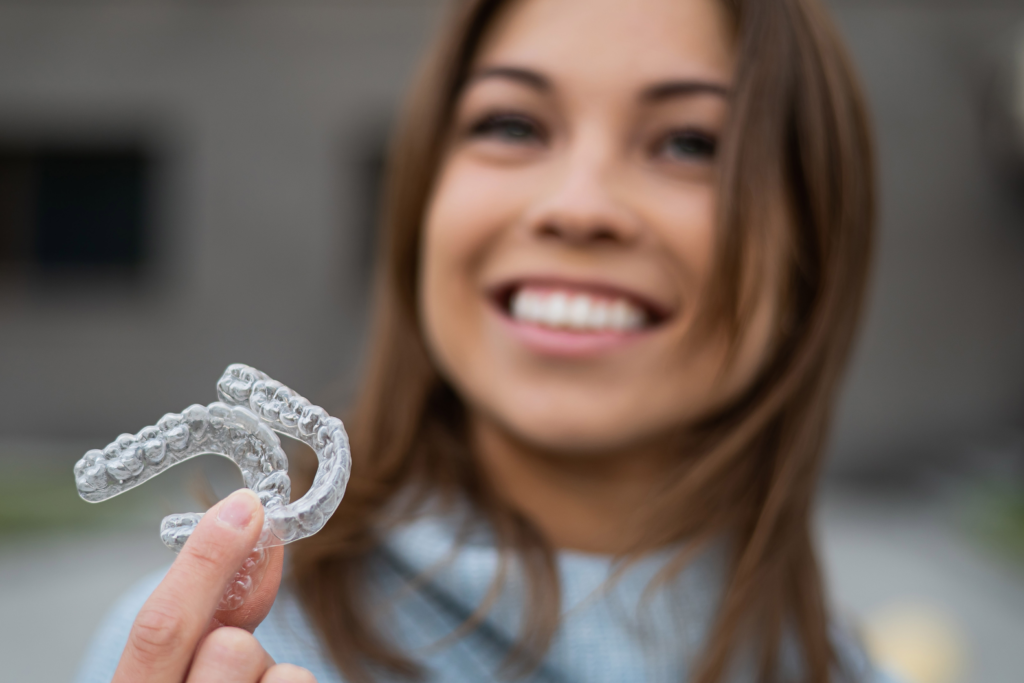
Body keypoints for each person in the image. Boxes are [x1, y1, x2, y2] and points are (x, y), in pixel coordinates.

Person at [75, 0, 893, 681]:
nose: (577, 206)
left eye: (690, 143)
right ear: (423, 203)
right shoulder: (198, 652)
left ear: (809, 251)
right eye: (511, 124)